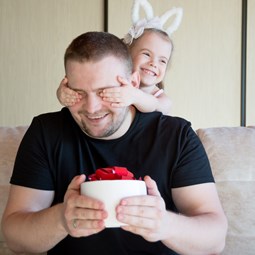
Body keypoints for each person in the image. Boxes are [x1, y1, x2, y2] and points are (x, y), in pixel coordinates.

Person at [1, 31, 227, 255]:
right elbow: (15, 238)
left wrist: (165, 225)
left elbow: (215, 240)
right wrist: (61, 219)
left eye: (104, 92)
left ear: (133, 82)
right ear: (65, 87)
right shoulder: (46, 132)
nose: (91, 108)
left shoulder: (177, 136)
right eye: (78, 93)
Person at [56, 4, 184, 115]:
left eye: (162, 61)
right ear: (126, 54)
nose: (154, 64)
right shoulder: (114, 80)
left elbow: (158, 106)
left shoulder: (160, 98)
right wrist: (63, 93)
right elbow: (86, 87)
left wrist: (135, 96)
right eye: (146, 54)